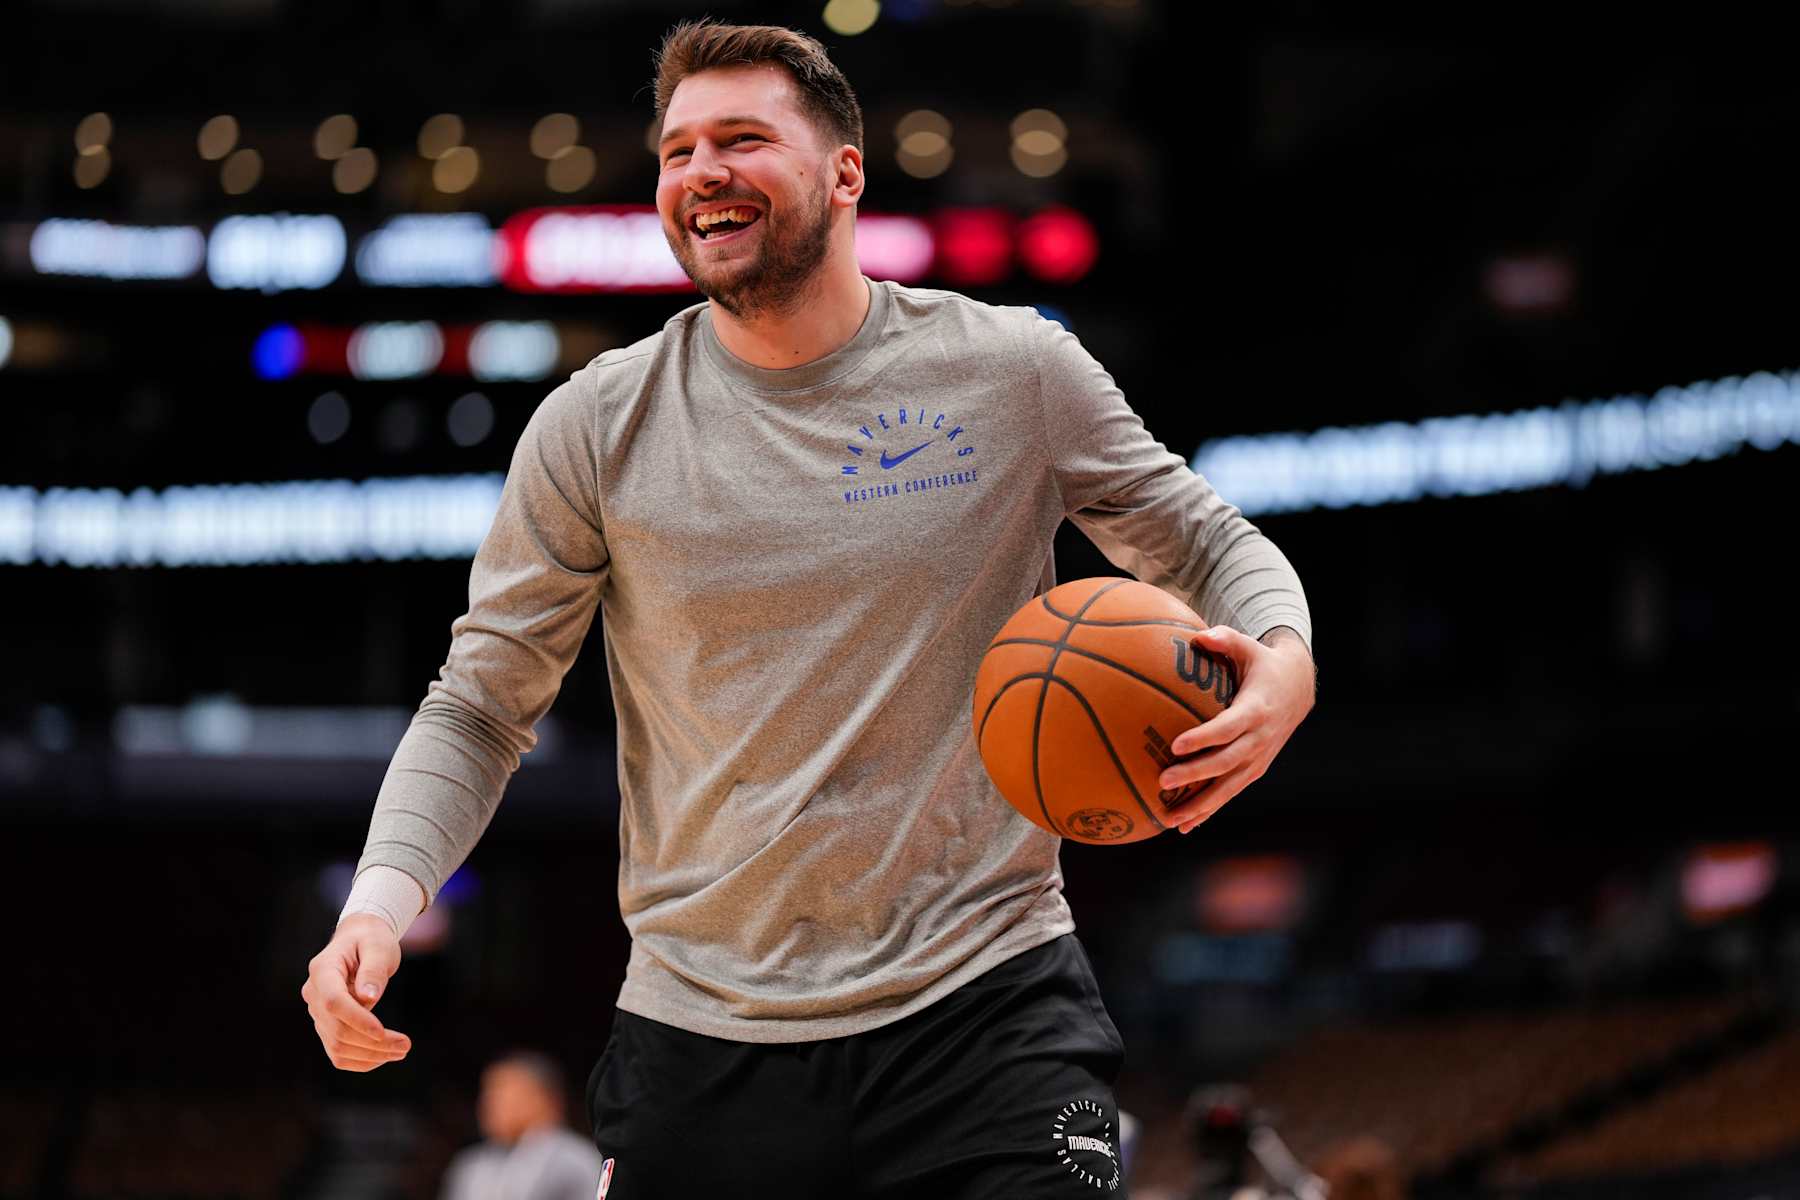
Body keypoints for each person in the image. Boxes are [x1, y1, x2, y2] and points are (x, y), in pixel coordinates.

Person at [301, 20, 1316, 1198]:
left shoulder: (1010, 370)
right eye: (678, 151)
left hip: (986, 1011)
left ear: (845, 173)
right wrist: (382, 898)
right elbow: (480, 704)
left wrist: (1284, 662)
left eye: (742, 139)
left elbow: (1201, 541)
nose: (701, 173)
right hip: (705, 1040)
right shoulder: (595, 427)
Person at [439, 1052, 604, 1200]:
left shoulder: (576, 1160)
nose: (489, 1102)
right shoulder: (471, 1164)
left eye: (501, 1092)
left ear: (543, 1098)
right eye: (486, 1093)